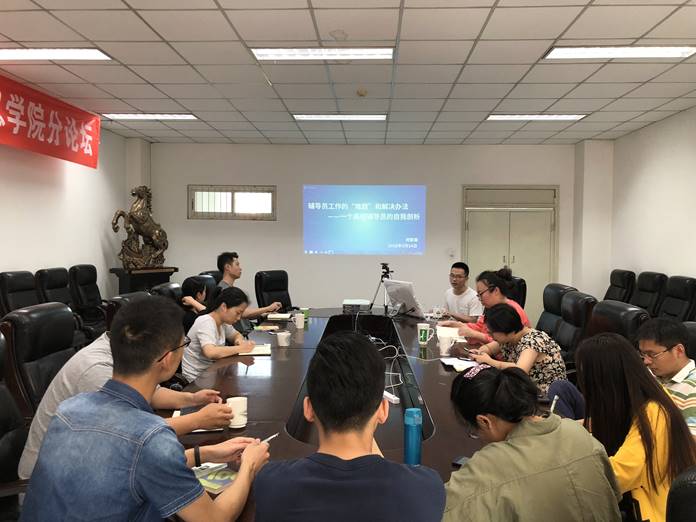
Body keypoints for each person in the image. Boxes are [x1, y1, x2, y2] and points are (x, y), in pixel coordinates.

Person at [21, 296, 269, 521]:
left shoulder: (68, 409)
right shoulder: (151, 439)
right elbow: (213, 519)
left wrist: (203, 454)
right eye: (184, 344)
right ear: (168, 359)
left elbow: (123, 461)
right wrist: (249, 465)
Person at [18, 302, 234, 480]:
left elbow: (151, 394)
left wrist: (192, 398)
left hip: (91, 457)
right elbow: (131, 434)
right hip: (51, 478)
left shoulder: (122, 350)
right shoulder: (96, 370)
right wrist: (198, 421)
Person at [253, 332, 445, 521]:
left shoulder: (270, 483)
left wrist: (248, 468)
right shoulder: (426, 488)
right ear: (384, 410)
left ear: (308, 409)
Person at [444, 365, 621, 522]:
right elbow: (613, 495)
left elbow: (444, 512)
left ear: (484, 421)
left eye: (475, 432)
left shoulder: (487, 468)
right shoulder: (578, 433)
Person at [575, 333, 696, 522]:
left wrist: (566, 473)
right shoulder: (637, 400)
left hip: (653, 511)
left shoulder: (654, 412)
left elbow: (620, 474)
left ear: (604, 378)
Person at [470, 303, 566, 395]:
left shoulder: (532, 341)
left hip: (544, 394)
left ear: (507, 330)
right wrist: (480, 352)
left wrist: (489, 361)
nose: (490, 335)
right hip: (522, 387)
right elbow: (490, 348)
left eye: (491, 332)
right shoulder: (510, 336)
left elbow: (520, 370)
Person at [440, 267, 530, 347]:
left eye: (480, 294)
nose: (479, 299)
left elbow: (502, 343)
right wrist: (459, 325)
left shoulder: (511, 311)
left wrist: (474, 334)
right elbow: (480, 326)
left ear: (495, 291)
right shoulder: (493, 307)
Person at [182, 286, 256, 382]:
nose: (238, 318)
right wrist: (241, 348)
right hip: (196, 378)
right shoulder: (206, 322)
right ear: (224, 307)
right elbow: (210, 352)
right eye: (237, 313)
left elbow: (236, 335)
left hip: (213, 372)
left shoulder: (223, 322)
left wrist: (239, 341)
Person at [636, 318, 696, 436]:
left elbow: (690, 442)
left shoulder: (692, 389)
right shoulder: (650, 374)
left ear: (679, 350)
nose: (646, 361)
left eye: (653, 354)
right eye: (643, 354)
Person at [217, 251, 282, 318]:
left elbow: (245, 314)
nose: (240, 268)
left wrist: (265, 313)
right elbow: (243, 313)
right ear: (227, 267)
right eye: (237, 264)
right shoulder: (224, 290)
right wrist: (268, 308)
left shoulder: (232, 289)